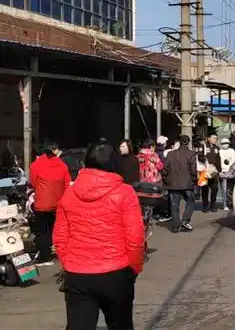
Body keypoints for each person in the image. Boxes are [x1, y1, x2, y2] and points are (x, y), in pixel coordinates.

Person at [53, 142, 145, 330]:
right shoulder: (125, 193)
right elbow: (135, 238)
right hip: (117, 272)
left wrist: (69, 263)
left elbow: (60, 238)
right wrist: (134, 268)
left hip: (78, 275)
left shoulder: (70, 193)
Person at [28, 141, 71, 266]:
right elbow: (67, 183)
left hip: (42, 202)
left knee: (41, 230)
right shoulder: (62, 165)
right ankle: (56, 251)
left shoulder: (36, 165)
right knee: (55, 228)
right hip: (58, 203)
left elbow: (33, 182)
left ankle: (44, 257)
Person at [163, 135, 197, 233]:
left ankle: (175, 225)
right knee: (190, 201)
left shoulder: (170, 154)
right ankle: (185, 221)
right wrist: (194, 180)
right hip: (187, 183)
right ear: (188, 143)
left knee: (174, 205)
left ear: (179, 142)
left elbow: (165, 168)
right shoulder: (192, 154)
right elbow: (193, 169)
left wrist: (165, 179)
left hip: (173, 182)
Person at [199, 134, 221, 212]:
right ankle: (205, 206)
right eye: (214, 138)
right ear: (209, 139)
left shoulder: (217, 148)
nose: (215, 139)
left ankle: (213, 205)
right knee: (205, 189)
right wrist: (205, 160)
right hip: (205, 171)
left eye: (216, 138)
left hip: (214, 172)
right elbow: (199, 156)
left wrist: (219, 170)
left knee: (214, 188)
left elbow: (218, 160)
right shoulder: (203, 146)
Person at [218, 138, 235, 210]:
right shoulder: (219, 151)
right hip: (222, 172)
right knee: (224, 189)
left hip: (231, 171)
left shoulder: (232, 151)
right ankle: (224, 204)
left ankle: (231, 202)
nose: (225, 145)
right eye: (223, 144)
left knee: (231, 188)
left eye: (226, 143)